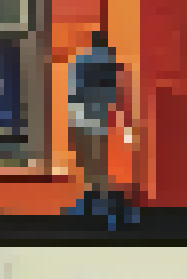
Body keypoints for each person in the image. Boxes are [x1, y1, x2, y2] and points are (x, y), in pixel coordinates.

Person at [66, 30, 134, 229]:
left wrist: (74, 122)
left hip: (86, 120)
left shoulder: (82, 61)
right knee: (107, 167)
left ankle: (94, 207)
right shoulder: (111, 63)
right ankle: (112, 211)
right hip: (105, 121)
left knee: (92, 168)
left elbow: (75, 94)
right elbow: (117, 93)